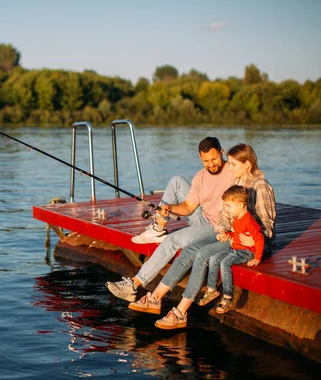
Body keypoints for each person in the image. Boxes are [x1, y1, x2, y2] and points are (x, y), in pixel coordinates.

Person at [130, 144, 275, 330]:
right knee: (190, 249)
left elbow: (268, 226)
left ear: (247, 164)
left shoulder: (260, 187)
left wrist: (254, 240)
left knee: (202, 254)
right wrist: (222, 229)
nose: (228, 168)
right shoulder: (237, 183)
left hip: (251, 244)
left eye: (233, 165)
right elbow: (224, 214)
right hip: (231, 236)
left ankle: (181, 312)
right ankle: (155, 298)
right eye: (229, 164)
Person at [105, 137, 233, 302]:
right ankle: (159, 227)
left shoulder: (232, 171)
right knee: (176, 181)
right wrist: (170, 208)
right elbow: (188, 207)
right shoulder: (201, 176)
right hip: (204, 217)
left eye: (214, 159)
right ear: (201, 158)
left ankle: (133, 285)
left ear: (222, 153)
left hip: (217, 227)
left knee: (173, 240)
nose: (211, 164)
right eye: (206, 161)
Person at [198, 185, 265, 314]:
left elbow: (260, 239)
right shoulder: (237, 219)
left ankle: (228, 296)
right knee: (214, 258)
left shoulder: (249, 221)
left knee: (225, 262)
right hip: (235, 248)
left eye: (229, 206)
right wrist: (228, 235)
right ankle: (212, 289)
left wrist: (257, 258)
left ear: (241, 205)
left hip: (247, 252)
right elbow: (238, 234)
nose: (227, 209)